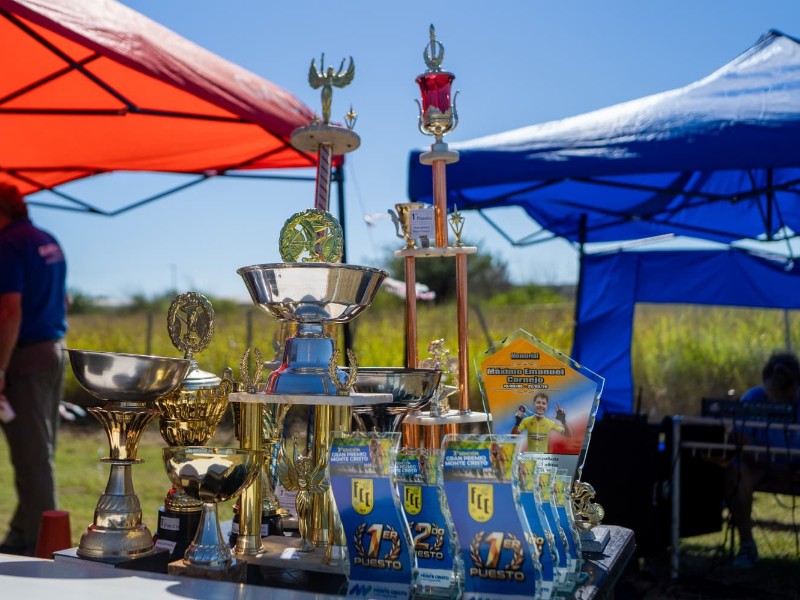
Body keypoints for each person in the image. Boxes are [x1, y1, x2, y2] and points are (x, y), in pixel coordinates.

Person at [0, 183, 68, 556]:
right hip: (51, 351)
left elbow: (10, 311)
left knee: (33, 458)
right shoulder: (46, 238)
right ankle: (20, 536)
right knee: (39, 452)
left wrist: (0, 369)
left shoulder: (8, 243)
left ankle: (43, 548)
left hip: (23, 358)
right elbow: (65, 299)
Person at [724, 350, 800, 568]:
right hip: (761, 467)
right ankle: (747, 545)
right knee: (735, 471)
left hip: (795, 469)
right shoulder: (753, 398)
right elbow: (740, 443)